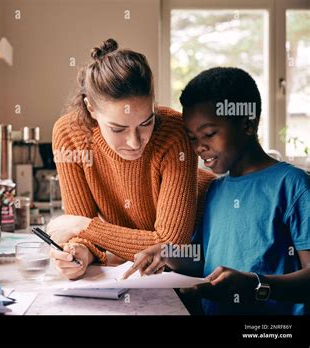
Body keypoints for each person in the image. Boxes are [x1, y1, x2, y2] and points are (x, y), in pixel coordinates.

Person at [125, 67, 310, 315]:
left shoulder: (292, 185)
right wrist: (167, 253)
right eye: (191, 138)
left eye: (209, 134)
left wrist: (256, 284)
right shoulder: (215, 190)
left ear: (247, 123)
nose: (200, 147)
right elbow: (205, 260)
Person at [48, 38, 215, 280]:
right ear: (91, 109)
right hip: (147, 266)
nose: (135, 142)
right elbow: (84, 233)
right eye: (118, 129)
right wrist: (78, 253)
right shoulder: (69, 134)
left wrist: (82, 227)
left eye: (146, 122)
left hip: (200, 250)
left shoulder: (173, 131)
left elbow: (169, 246)